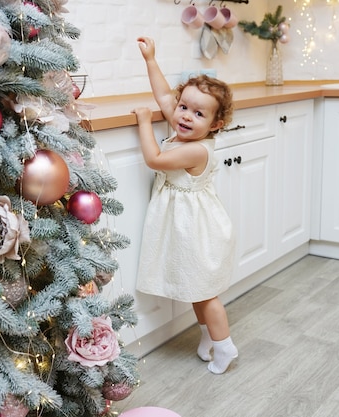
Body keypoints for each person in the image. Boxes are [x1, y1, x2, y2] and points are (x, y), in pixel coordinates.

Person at [132, 36, 237, 374]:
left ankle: (225, 347)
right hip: (185, 226)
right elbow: (165, 95)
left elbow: (155, 159)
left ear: (215, 124)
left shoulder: (197, 149)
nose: (185, 116)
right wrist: (151, 58)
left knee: (205, 293)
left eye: (198, 113)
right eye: (183, 108)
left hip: (197, 229)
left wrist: (145, 122)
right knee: (195, 288)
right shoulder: (183, 129)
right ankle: (208, 337)